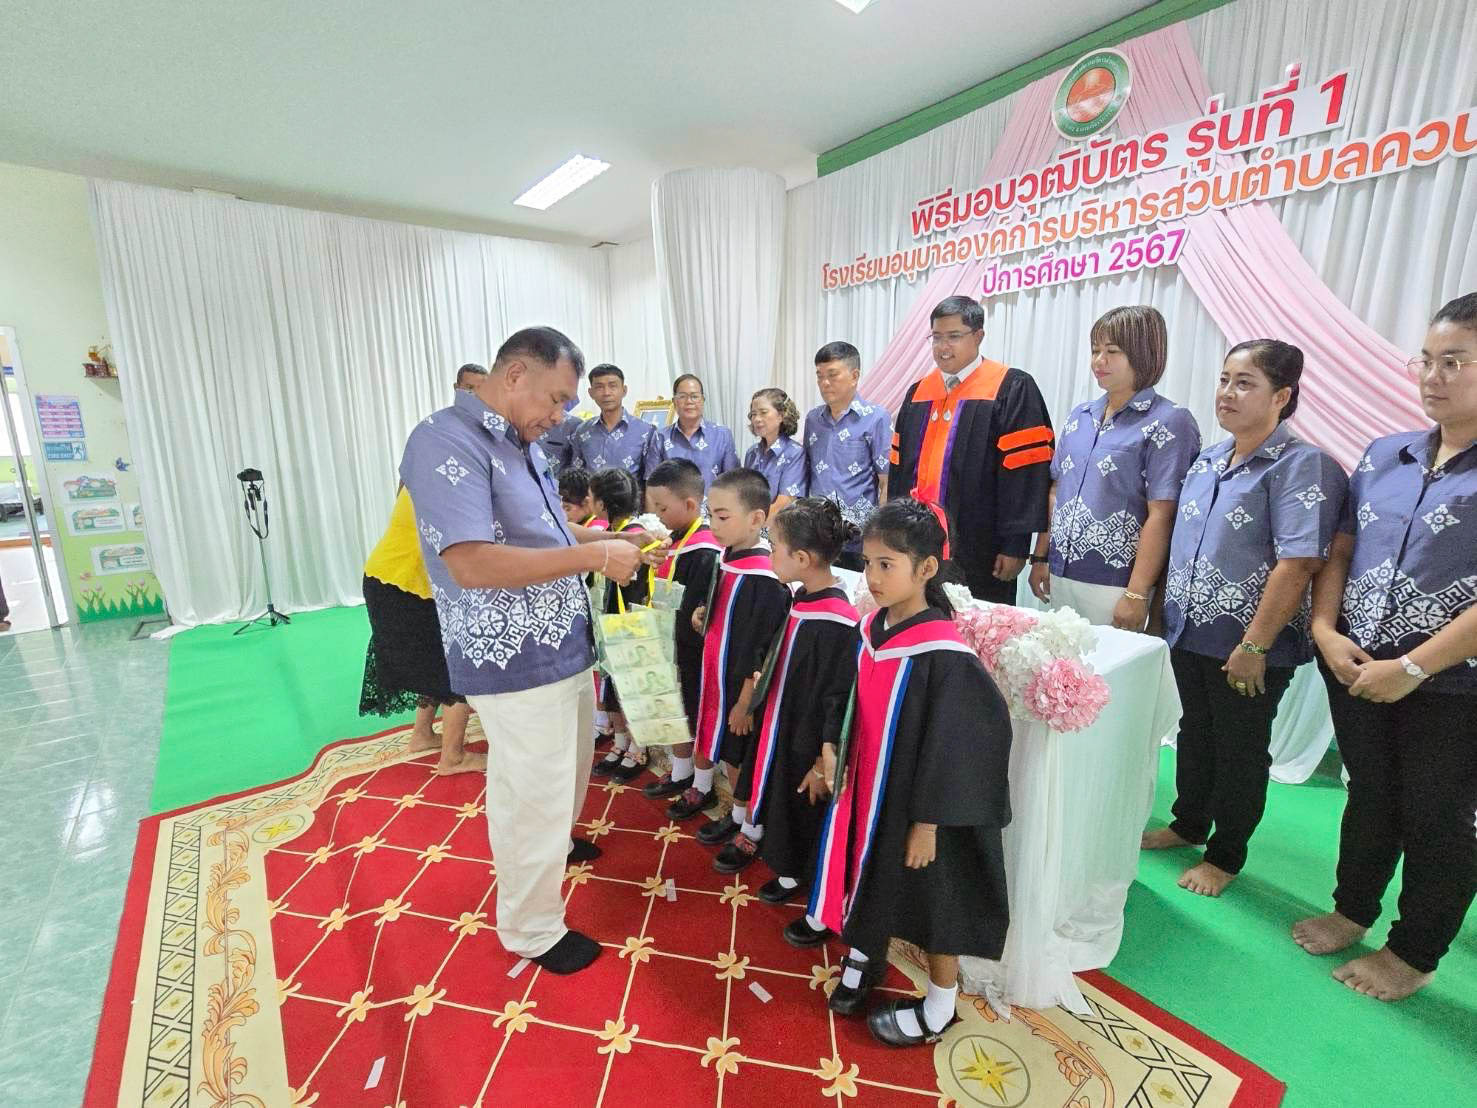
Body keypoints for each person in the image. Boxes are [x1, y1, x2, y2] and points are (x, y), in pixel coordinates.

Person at [399, 325, 650, 975]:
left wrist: (605, 538)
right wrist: (595, 556)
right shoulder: (444, 440)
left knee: (565, 771)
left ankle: (552, 848)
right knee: (532, 789)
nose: (561, 415)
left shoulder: (520, 440)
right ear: (515, 376)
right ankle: (531, 928)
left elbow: (544, 530)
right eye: (558, 398)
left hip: (560, 641)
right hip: (511, 654)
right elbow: (471, 562)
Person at [1294, 292, 1477, 1002]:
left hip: (1453, 683)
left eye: (1454, 362)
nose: (1432, 377)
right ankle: (1352, 909)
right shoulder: (1384, 454)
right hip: (1358, 665)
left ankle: (1413, 952)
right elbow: (1341, 548)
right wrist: (1324, 630)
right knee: (1368, 793)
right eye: (1425, 360)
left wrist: (1412, 666)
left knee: (1438, 816)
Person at [1144, 340, 1348, 898]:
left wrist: (1254, 646)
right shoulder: (1209, 460)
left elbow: (1300, 562)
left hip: (1249, 643)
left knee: (1240, 748)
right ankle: (1189, 823)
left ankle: (1225, 855)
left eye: (1245, 383)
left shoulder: (1302, 466)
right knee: (1195, 731)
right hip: (1190, 629)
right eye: (1224, 380)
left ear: (1282, 396)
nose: (1227, 393)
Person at [809, 499, 1012, 1046]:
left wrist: (928, 823)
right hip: (865, 789)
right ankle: (865, 953)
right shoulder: (871, 631)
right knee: (864, 874)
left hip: (918, 804)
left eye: (886, 565)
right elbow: (842, 694)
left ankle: (940, 1007)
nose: (872, 577)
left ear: (926, 569)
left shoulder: (945, 654)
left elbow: (965, 746)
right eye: (867, 563)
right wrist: (829, 744)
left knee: (936, 903)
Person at [1029, 306, 1201, 628]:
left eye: (1112, 351)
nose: (1099, 361)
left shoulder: (1169, 420)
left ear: (1143, 353)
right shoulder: (1080, 415)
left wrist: (1137, 593)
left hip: (1117, 583)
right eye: (1095, 350)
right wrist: (1041, 556)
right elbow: (1056, 490)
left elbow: (1163, 514)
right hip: (1060, 572)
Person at [740, 498, 859, 928]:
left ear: (803, 558)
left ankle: (797, 875)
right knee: (780, 797)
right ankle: (783, 863)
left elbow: (836, 694)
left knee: (801, 805)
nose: (769, 554)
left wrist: (820, 761)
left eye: (775, 547)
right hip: (782, 721)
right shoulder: (801, 599)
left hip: (806, 736)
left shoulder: (837, 621)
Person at [889, 297, 1054, 604]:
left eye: (954, 336)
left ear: (978, 336)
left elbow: (1025, 474)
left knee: (978, 622)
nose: (943, 347)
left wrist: (1015, 546)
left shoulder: (1010, 386)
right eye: (936, 337)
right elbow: (899, 471)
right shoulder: (918, 392)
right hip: (917, 541)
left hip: (982, 545)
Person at [667, 471, 789, 868]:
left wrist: (745, 702)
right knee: (711, 736)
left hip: (739, 689)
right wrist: (703, 615)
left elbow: (763, 647)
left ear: (756, 519)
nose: (713, 525)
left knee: (738, 758)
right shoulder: (727, 558)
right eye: (710, 515)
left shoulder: (766, 577)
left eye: (722, 517)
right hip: (714, 675)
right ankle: (720, 803)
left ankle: (748, 828)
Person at [358, 487, 481, 775]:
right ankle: (453, 758)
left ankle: (422, 735)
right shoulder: (453, 484)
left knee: (433, 663)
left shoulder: (419, 475)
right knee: (457, 668)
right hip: (408, 585)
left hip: (384, 577)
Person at [640, 459, 723, 801]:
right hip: (667, 645)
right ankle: (681, 771)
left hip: (691, 652)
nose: (656, 515)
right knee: (672, 710)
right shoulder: (674, 541)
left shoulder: (705, 550)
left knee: (694, 711)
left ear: (690, 504)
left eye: (662, 508)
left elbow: (699, 611)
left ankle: (702, 785)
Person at [805, 341, 891, 570]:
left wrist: (881, 533)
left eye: (832, 375)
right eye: (819, 376)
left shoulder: (876, 417)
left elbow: (886, 480)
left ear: (854, 376)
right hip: (816, 533)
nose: (824, 383)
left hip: (857, 535)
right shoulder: (813, 419)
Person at [588, 468, 651, 784]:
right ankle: (621, 741)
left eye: (591, 497)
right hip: (607, 624)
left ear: (601, 503)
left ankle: (639, 747)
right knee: (610, 688)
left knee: (630, 692)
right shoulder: (610, 532)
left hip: (628, 626)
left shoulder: (635, 536)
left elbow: (639, 588)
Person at [643, 374, 739, 491]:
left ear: (703, 400)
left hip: (712, 503)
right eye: (682, 396)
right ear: (674, 402)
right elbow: (652, 486)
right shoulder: (660, 437)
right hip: (672, 503)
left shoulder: (722, 435)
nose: (689, 401)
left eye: (694, 396)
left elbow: (733, 483)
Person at [571, 364, 656, 483]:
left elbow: (651, 480)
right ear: (591, 393)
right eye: (599, 387)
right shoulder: (582, 431)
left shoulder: (646, 431)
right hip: (592, 495)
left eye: (612, 386)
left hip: (631, 495)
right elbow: (577, 477)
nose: (606, 393)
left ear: (624, 390)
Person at [743, 387, 806, 518]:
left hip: (778, 526)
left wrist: (751, 524)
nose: (757, 419)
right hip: (751, 524)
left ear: (781, 416)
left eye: (763, 412)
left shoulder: (795, 453)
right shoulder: (752, 453)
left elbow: (784, 504)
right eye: (753, 414)